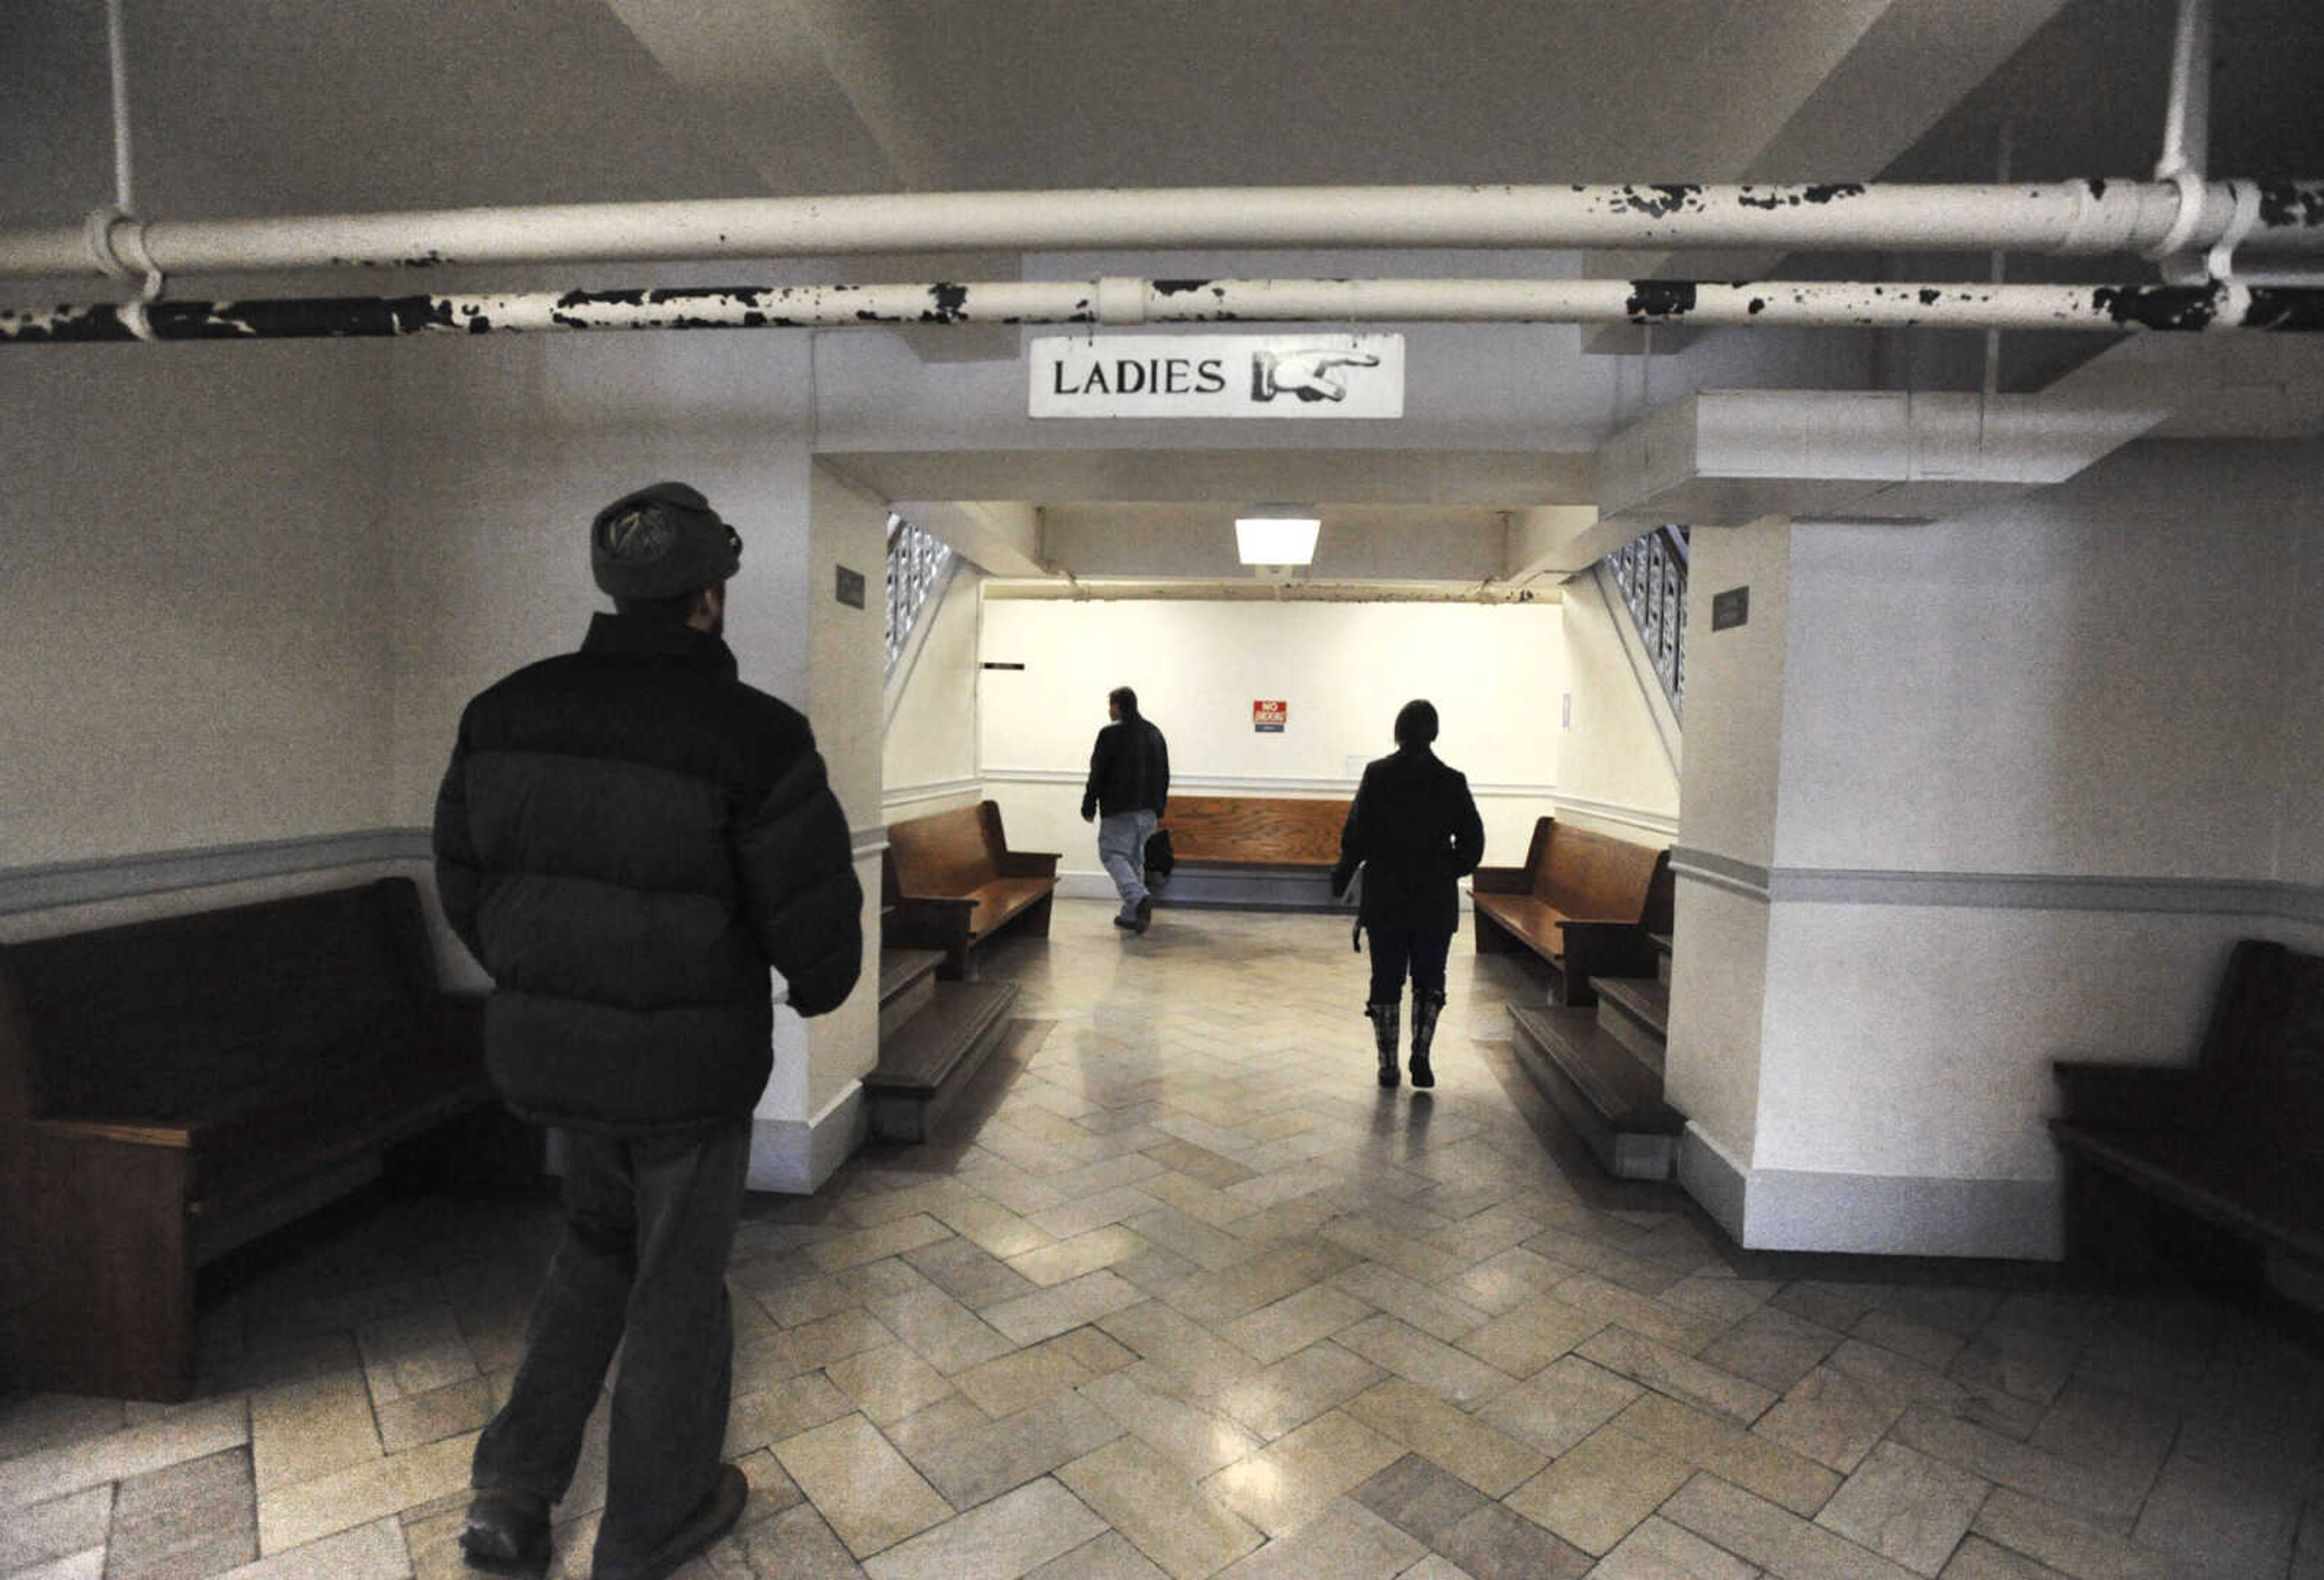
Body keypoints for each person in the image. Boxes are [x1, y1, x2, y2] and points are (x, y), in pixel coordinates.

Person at [433, 482, 862, 1580]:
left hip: (555, 1058)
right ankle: (649, 1525)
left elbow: (467, 884)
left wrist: (549, 981)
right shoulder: (754, 736)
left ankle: (512, 1493)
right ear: (709, 597)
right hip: (688, 1070)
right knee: (677, 1279)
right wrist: (821, 986)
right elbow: (807, 914)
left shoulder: (504, 711)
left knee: (591, 1251)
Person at [1331, 700, 1485, 1089]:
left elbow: (1357, 834)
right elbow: (1474, 841)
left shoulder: (1378, 775)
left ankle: (1387, 1064)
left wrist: (1343, 873)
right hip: (1434, 895)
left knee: (1386, 978)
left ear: (1398, 731)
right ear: (1434, 733)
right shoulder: (1452, 780)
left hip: (1386, 893)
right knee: (1430, 977)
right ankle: (1422, 1053)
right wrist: (1450, 868)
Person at [1080, 684, 1170, 934]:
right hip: (1148, 810)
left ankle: (1138, 897)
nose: (1109, 711)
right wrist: (1159, 808)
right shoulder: (1155, 733)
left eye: (1111, 706)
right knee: (1134, 859)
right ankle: (1132, 915)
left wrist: (1089, 805)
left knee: (1112, 855)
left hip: (1120, 808)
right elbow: (1164, 774)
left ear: (1117, 706)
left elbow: (1098, 772)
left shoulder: (1110, 734)